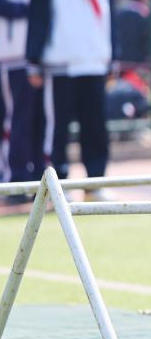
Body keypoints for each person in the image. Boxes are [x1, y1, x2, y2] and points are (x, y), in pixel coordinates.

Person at [26, 0, 116, 202]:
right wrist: (33, 59)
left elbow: (110, 18)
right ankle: (55, 185)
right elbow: (38, 16)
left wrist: (113, 57)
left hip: (95, 64)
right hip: (60, 65)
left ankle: (95, 182)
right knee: (57, 128)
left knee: (96, 127)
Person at [1, 0, 44, 206]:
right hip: (9, 61)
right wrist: (34, 9)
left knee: (38, 122)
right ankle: (14, 179)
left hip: (37, 60)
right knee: (15, 121)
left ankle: (39, 178)